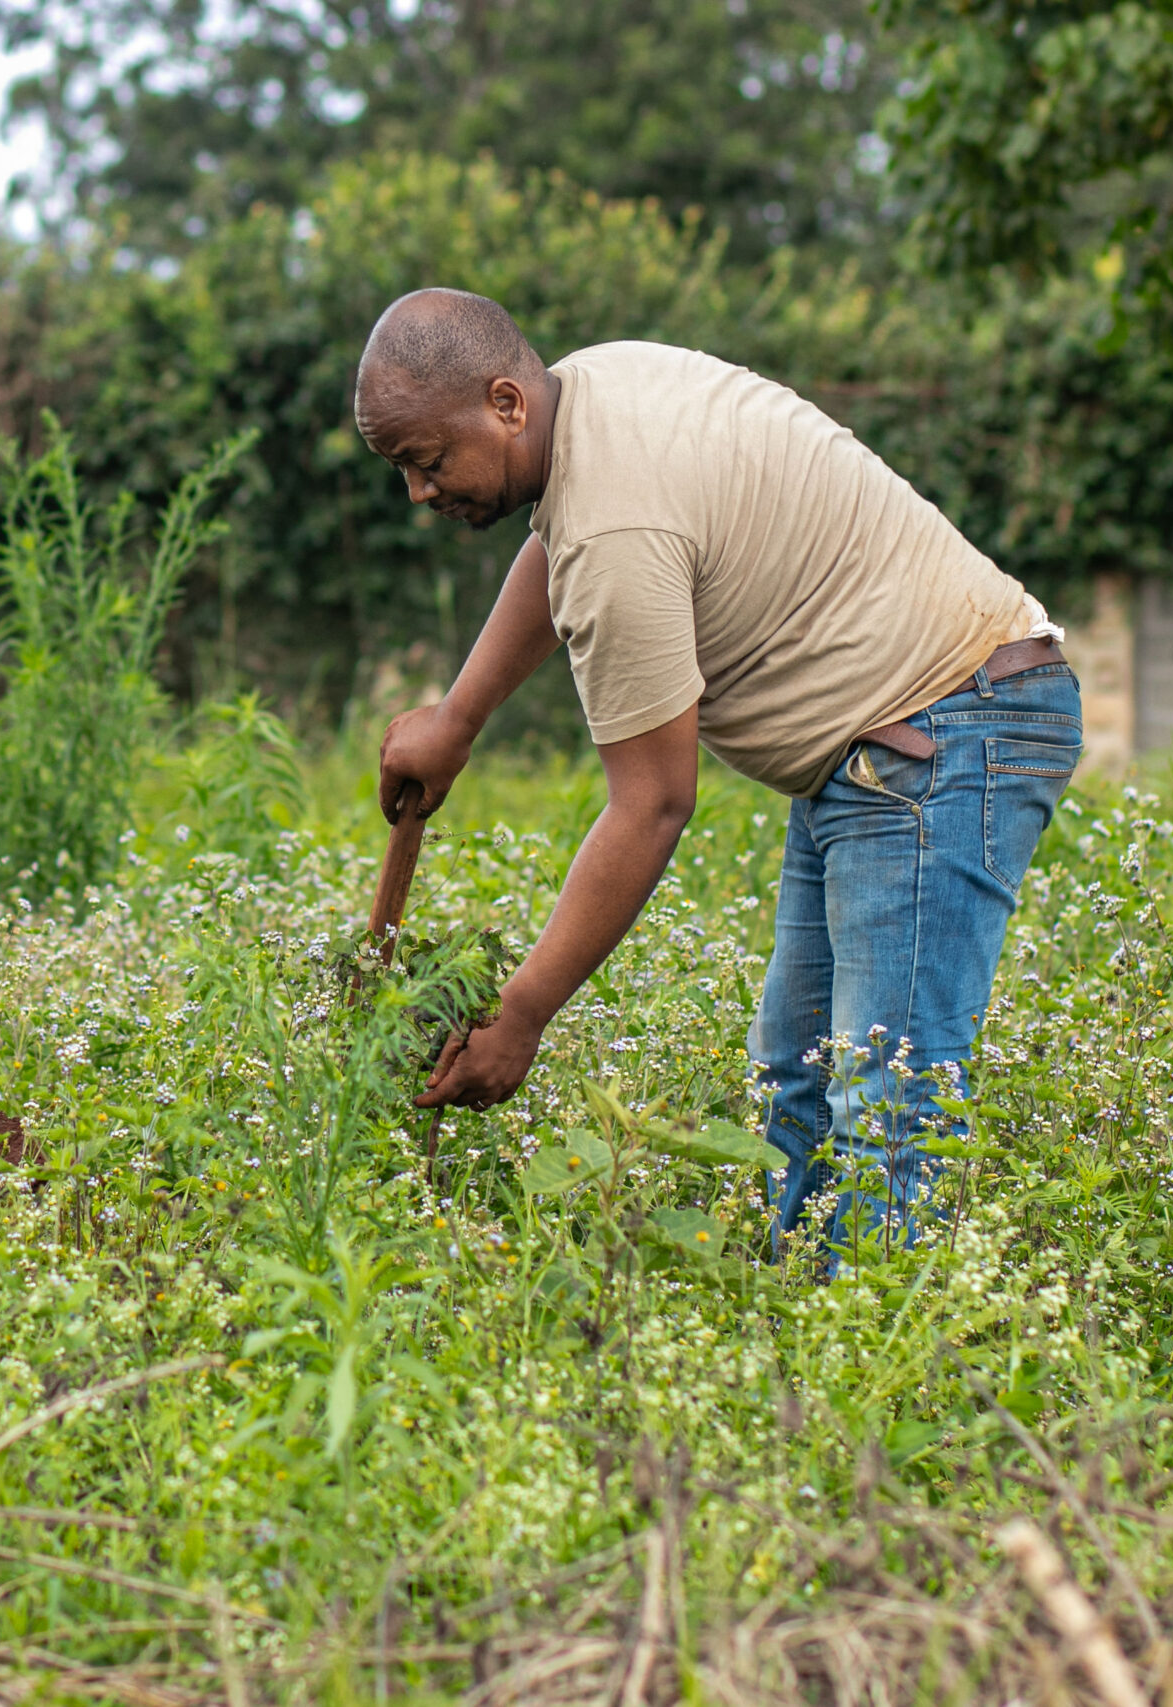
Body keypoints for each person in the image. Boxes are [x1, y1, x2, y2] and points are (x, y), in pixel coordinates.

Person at [360, 289, 1082, 1258]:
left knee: (887, 1097)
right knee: (799, 1073)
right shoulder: (592, 389)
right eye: (403, 470)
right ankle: (799, 1316)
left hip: (943, 732)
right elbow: (554, 546)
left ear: (505, 404)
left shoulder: (615, 529)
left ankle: (876, 1338)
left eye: (428, 460)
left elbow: (653, 805)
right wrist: (457, 718)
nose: (419, 492)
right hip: (884, 746)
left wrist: (520, 1016)